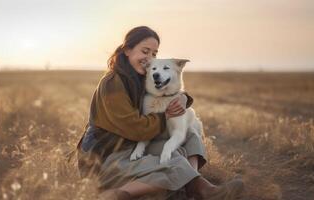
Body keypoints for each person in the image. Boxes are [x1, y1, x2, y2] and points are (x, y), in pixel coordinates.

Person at [76, 26, 244, 200]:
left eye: (154, 54)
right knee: (172, 161)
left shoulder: (142, 77)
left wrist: (184, 99)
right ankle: (119, 194)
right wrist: (167, 116)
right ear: (127, 50)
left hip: (129, 146)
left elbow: (169, 92)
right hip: (106, 159)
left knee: (188, 133)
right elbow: (137, 129)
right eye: (145, 51)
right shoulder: (112, 83)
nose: (149, 58)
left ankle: (192, 185)